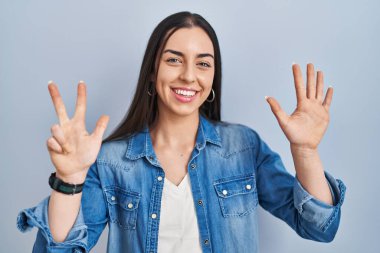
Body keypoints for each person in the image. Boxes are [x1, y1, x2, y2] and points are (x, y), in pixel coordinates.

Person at [17, 11, 346, 253]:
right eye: (174, 60)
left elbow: (319, 228)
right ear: (152, 71)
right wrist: (69, 180)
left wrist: (305, 151)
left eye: (203, 63)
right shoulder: (111, 162)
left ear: (213, 76)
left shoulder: (243, 147)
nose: (189, 76)